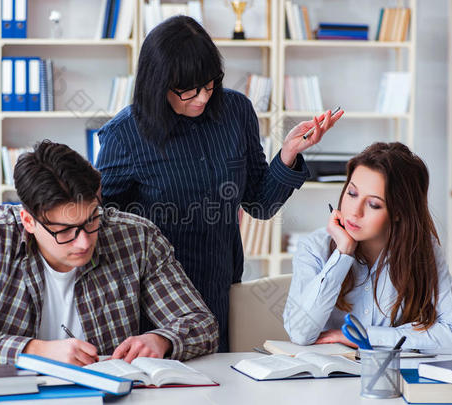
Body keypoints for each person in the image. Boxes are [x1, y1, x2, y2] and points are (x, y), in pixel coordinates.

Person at [96, 16, 343, 352]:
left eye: (209, 85)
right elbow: (101, 226)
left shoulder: (235, 111)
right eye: (188, 90)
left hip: (220, 291)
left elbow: (260, 203)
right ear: (158, 84)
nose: (201, 98)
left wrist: (288, 153)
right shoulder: (124, 135)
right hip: (153, 306)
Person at [0, 140, 218, 367]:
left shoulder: (137, 237)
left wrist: (161, 339)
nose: (84, 242)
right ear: (28, 221)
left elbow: (202, 323)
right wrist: (35, 350)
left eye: (91, 220)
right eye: (64, 231)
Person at [283, 142, 452, 354]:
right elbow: (299, 332)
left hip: (391, 377)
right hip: (327, 377)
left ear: (399, 212)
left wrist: (364, 336)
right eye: (352, 194)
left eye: (373, 204)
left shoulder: (422, 248)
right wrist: (343, 253)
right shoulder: (314, 247)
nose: (354, 212)